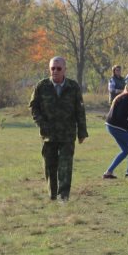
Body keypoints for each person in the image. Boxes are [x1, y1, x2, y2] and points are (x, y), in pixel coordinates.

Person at [29, 56, 88, 202]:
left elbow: (80, 110)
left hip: (67, 134)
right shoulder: (42, 86)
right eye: (52, 68)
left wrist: (82, 132)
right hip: (48, 134)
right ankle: (53, 194)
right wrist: (42, 123)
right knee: (50, 166)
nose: (55, 71)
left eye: (58, 68)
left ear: (64, 69)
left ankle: (63, 196)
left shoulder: (73, 87)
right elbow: (33, 107)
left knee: (65, 165)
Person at [103, 82, 128, 179]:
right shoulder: (125, 99)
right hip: (115, 127)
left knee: (126, 150)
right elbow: (122, 119)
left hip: (113, 126)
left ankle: (108, 172)